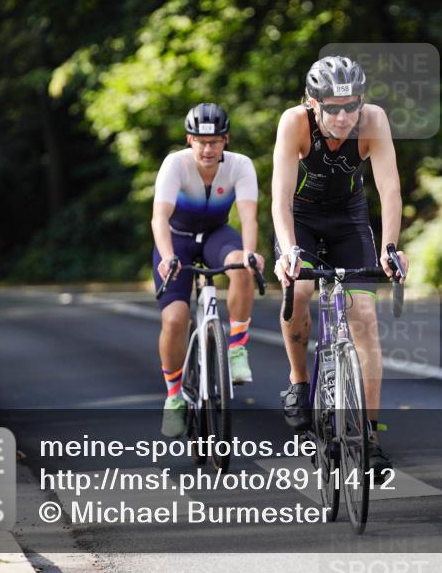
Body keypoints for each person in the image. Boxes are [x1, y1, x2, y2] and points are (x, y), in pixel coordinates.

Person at [272, 56, 409, 476]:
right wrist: (289, 252)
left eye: (351, 105)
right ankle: (299, 381)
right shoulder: (294, 123)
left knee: (364, 317)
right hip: (304, 217)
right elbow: (279, 197)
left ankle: (369, 435)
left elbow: (389, 187)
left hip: (349, 218)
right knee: (299, 293)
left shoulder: (374, 121)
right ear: (313, 104)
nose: (344, 116)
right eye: (332, 107)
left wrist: (389, 247)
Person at [151, 103, 264, 437]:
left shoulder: (241, 166)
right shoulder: (175, 164)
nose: (207, 148)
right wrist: (168, 256)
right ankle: (174, 396)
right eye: (201, 140)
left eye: (214, 141)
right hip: (177, 239)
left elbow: (248, 217)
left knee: (241, 266)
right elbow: (159, 217)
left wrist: (250, 253)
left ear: (225, 140)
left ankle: (237, 348)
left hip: (217, 235)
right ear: (189, 139)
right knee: (174, 319)